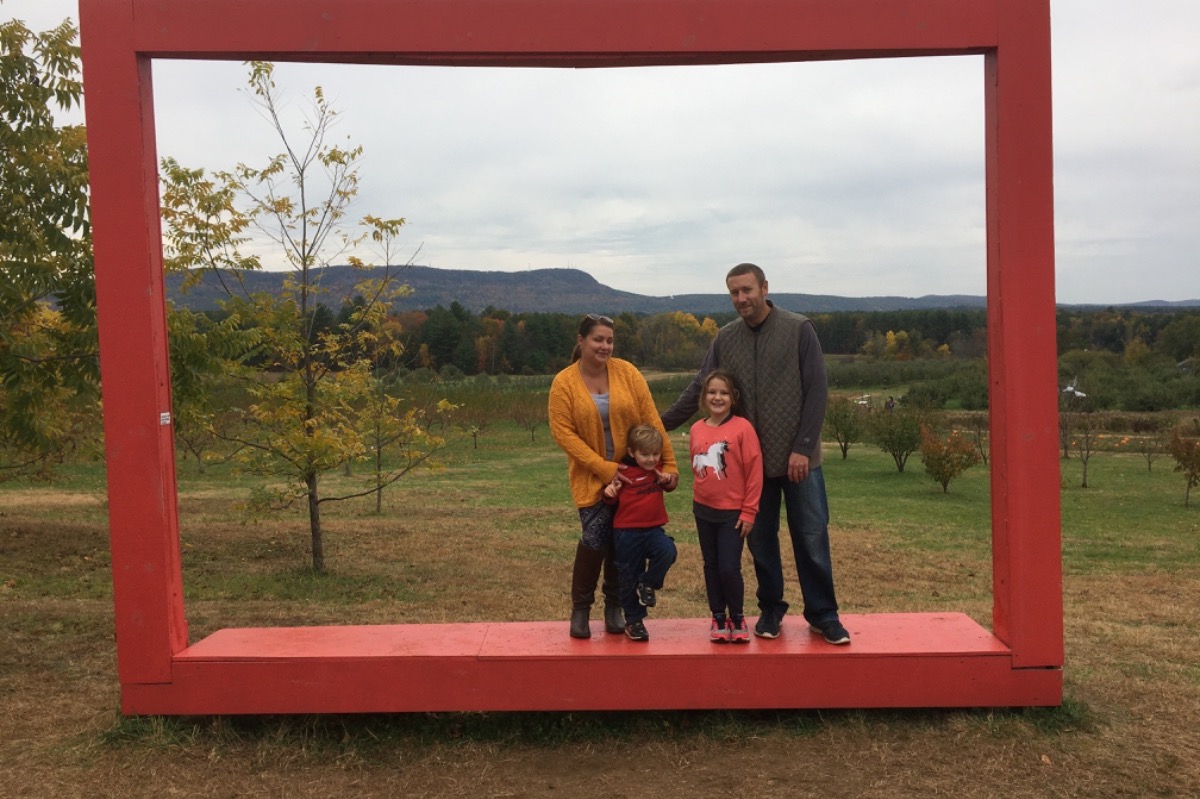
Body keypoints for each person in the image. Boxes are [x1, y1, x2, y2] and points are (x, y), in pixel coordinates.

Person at [662, 263, 851, 645]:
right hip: (751, 467)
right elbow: (700, 387)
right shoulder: (726, 338)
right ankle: (771, 610)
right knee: (761, 542)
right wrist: (657, 425)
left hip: (800, 462)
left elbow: (817, 391)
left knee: (811, 538)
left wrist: (802, 448)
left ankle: (823, 615)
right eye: (734, 292)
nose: (741, 298)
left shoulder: (799, 329)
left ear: (764, 288)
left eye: (747, 290)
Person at [549, 313, 679, 640]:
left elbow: (651, 420)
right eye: (598, 339)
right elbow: (563, 433)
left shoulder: (627, 373)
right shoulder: (564, 382)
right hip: (592, 475)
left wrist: (669, 465)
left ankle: (615, 606)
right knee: (594, 539)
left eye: (609, 340)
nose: (605, 346)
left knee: (624, 544)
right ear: (581, 341)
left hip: (632, 474)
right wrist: (604, 469)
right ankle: (581, 608)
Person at [688, 369, 762, 644]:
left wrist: (749, 510)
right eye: (712, 392)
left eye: (724, 393)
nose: (717, 397)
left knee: (729, 567)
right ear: (704, 396)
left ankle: (737, 616)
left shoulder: (743, 428)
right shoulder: (696, 429)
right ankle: (718, 616)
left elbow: (754, 471)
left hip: (733, 513)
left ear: (733, 398)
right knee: (711, 565)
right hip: (703, 510)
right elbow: (695, 466)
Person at [603, 424, 678, 642]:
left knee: (668, 551)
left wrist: (668, 480)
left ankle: (647, 583)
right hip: (627, 533)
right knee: (628, 576)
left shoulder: (659, 470)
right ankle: (634, 621)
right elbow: (610, 499)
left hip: (653, 530)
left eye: (655, 454)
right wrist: (609, 492)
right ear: (631, 452)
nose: (651, 459)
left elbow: (671, 484)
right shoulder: (623, 471)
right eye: (645, 455)